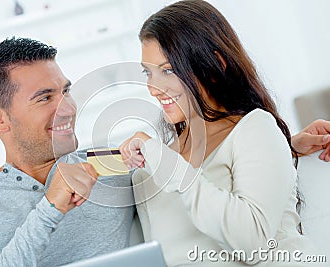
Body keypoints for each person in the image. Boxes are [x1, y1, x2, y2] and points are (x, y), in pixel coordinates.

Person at [119, 1, 327, 266]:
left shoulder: (254, 128)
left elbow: (254, 244)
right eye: (148, 73)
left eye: (168, 70)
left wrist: (170, 167)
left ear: (214, 64)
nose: (153, 88)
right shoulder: (151, 168)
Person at [0, 37, 134, 266]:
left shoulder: (108, 163)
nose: (68, 109)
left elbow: (174, 173)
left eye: (66, 91)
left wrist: (157, 144)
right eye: (45, 98)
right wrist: (50, 208)